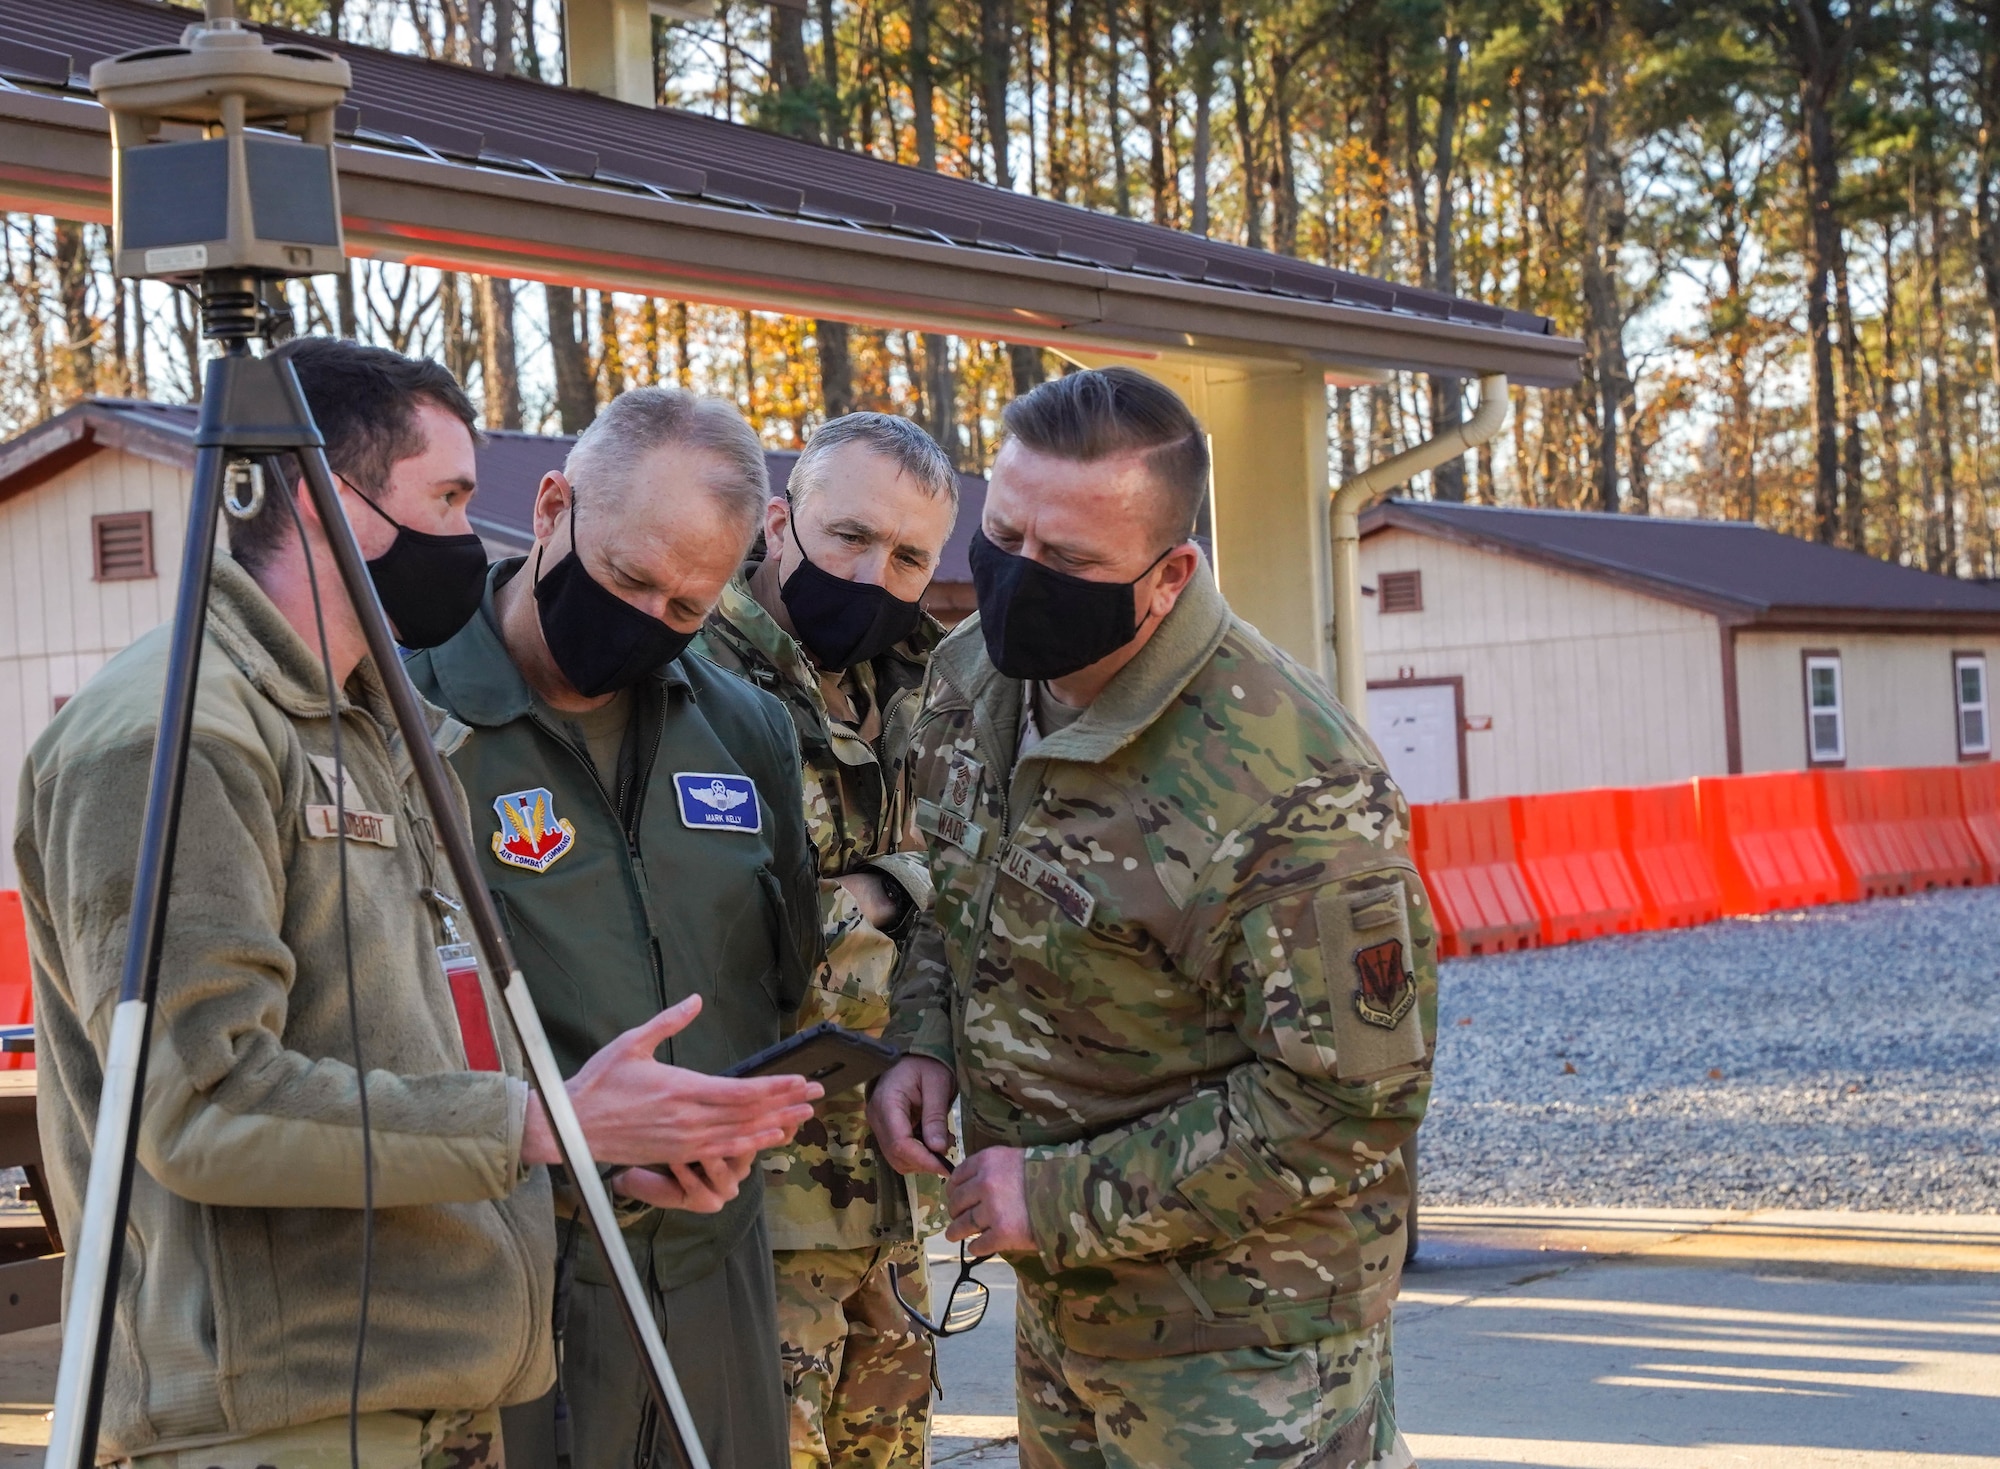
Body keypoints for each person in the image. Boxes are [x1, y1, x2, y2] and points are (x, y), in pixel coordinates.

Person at [13, 338, 820, 1468]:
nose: (462, 532)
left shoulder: (356, 723)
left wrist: (574, 1150)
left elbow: (416, 1038)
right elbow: (200, 1104)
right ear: (316, 494)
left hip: (415, 1373)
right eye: (443, 496)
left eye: (685, 603)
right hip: (261, 1404)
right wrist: (546, 1124)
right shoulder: (176, 731)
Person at [867, 368, 1434, 1469]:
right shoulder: (971, 677)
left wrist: (1057, 1193)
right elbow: (952, 898)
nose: (1017, 580)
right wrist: (922, 1042)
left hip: (1243, 1342)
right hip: (1062, 1307)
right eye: (1004, 532)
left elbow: (1350, 1098)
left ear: (1169, 574)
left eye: (1071, 562)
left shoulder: (1288, 779)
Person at [406, 386, 823, 1469]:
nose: (648, 618)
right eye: (629, 579)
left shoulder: (743, 725)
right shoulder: (398, 708)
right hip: (500, 1275)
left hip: (711, 1269)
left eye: (687, 606)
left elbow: (777, 977)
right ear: (551, 507)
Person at [690, 413, 957, 1469]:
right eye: (846, 535)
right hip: (747, 1198)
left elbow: (977, 889)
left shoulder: (930, 691)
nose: (870, 573)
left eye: (907, 557)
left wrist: (879, 890)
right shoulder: (688, 678)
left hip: (891, 1195)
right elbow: (720, 920)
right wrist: (896, 890)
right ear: (776, 519)